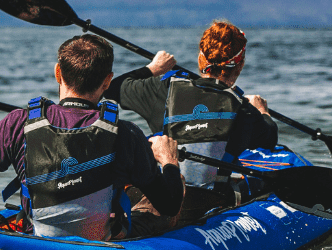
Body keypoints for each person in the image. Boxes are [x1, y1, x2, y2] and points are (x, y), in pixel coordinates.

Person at [0, 34, 184, 241]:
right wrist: (169, 161)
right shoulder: (128, 133)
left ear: (58, 73)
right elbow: (169, 205)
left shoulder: (17, 123)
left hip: (35, 242)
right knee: (164, 191)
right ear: (107, 80)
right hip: (102, 246)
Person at [113, 20, 277, 211]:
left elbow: (113, 88)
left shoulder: (162, 89)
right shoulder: (245, 110)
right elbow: (270, 139)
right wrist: (263, 112)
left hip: (164, 193)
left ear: (201, 60)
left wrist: (153, 68)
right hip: (210, 199)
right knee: (258, 185)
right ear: (239, 65)